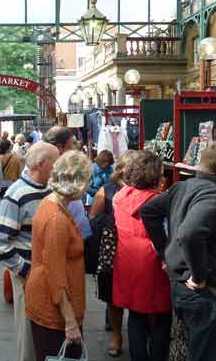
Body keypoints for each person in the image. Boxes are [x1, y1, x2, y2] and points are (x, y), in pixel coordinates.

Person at [141, 140, 216, 361]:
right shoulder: (214, 196)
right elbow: (190, 233)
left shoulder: (184, 187)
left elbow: (150, 211)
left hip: (185, 288)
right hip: (207, 296)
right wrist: (198, 274)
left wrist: (166, 253)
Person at [0, 142, 61, 361]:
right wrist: (27, 272)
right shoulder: (16, 194)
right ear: (41, 164)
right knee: (29, 338)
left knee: (45, 335)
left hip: (50, 275)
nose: (58, 166)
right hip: (29, 277)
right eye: (55, 161)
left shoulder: (49, 189)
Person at [25, 151, 92, 360]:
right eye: (87, 180)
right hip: (54, 309)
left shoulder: (51, 203)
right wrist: (70, 321)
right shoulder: (57, 219)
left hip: (49, 301)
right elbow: (56, 275)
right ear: (78, 182)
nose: (89, 185)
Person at [112, 150, 171, 361]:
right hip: (154, 264)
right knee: (162, 318)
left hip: (127, 261)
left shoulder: (120, 197)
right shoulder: (160, 203)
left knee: (136, 314)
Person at [88, 151, 135, 357]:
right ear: (122, 168)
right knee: (113, 298)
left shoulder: (145, 190)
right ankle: (117, 335)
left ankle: (137, 334)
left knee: (137, 297)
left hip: (137, 253)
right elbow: (93, 219)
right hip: (111, 251)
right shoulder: (106, 190)